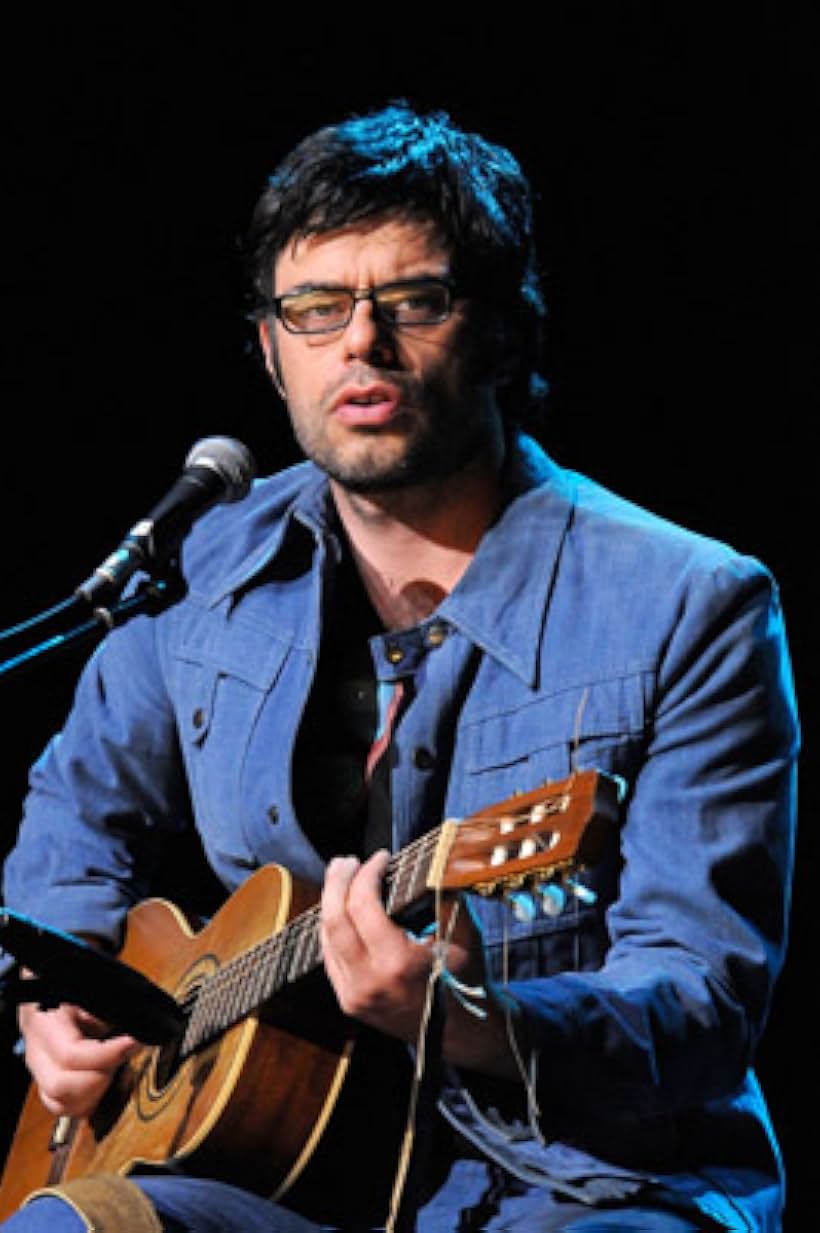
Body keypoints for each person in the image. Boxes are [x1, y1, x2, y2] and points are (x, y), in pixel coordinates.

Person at [0, 102, 798, 1232]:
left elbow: (703, 999)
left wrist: (470, 1019)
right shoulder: (204, 571)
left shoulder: (689, 603)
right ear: (271, 348)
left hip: (584, 1180)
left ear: (505, 333)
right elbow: (75, 805)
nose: (359, 346)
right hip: (276, 1163)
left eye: (412, 302)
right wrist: (53, 997)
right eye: (316, 309)